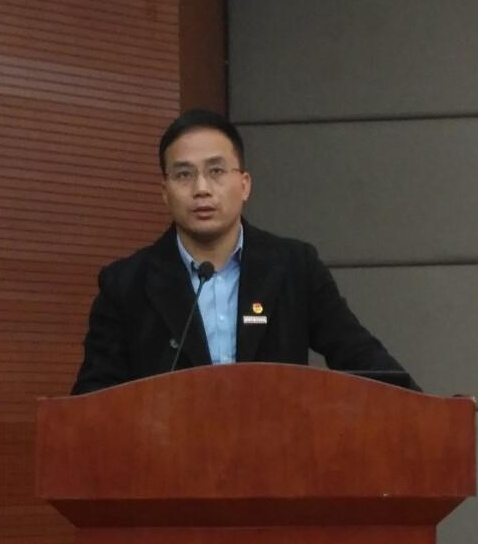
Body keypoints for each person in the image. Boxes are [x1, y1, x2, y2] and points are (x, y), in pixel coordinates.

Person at [71, 109, 419, 394]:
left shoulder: (294, 267)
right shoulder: (126, 284)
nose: (201, 188)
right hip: (167, 455)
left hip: (276, 452)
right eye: (184, 175)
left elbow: (361, 357)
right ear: (165, 193)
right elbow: (93, 399)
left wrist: (429, 415)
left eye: (216, 171)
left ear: (244, 184)